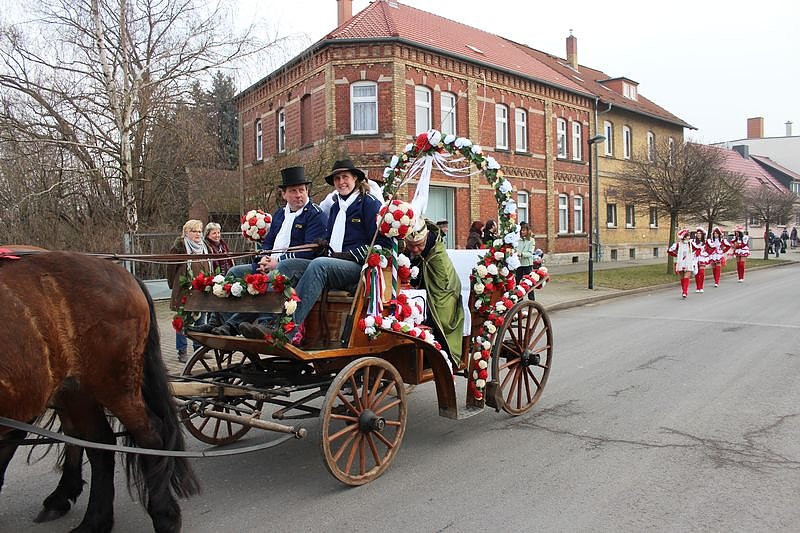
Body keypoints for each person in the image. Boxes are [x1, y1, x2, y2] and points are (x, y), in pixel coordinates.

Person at [241, 159, 383, 345]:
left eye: (345, 177)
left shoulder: (369, 204)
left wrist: (349, 255)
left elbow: (380, 244)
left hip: (358, 268)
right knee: (286, 265)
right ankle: (267, 321)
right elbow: (331, 241)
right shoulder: (335, 207)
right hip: (332, 263)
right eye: (337, 179)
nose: (341, 182)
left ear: (355, 178)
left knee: (319, 264)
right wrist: (323, 245)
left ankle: (289, 328)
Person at [209, 166, 328, 336]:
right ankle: (218, 321)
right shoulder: (279, 214)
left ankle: (262, 322)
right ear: (284, 194)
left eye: (302, 190)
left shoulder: (315, 215)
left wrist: (277, 262)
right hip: (271, 264)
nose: (299, 195)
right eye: (293, 191)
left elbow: (310, 250)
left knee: (277, 272)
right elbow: (269, 242)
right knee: (234, 272)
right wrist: (263, 260)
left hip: (298, 267)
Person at [403, 218, 465, 367]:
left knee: (431, 314)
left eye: (419, 245)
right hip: (422, 290)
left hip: (445, 293)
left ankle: (437, 356)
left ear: (426, 238)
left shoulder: (436, 255)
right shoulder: (412, 250)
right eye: (411, 246)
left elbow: (442, 283)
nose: (415, 250)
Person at [167, 219, 211, 362]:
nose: (198, 234)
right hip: (185, 291)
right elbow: (171, 269)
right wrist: (174, 286)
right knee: (183, 321)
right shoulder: (180, 247)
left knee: (201, 321)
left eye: (199, 231)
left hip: (202, 291)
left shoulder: (205, 247)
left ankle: (199, 349)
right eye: (194, 231)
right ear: (186, 232)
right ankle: (182, 351)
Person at [667, 228, 697, 299]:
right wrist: (677, 255)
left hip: (688, 262)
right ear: (684, 237)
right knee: (682, 277)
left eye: (689, 236)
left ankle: (685, 292)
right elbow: (669, 251)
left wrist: (693, 256)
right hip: (681, 262)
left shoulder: (691, 244)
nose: (689, 237)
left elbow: (698, 249)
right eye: (687, 236)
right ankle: (684, 290)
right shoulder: (678, 244)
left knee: (686, 277)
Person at [513, 222, 536, 301]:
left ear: (527, 231)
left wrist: (521, 254)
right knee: (518, 282)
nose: (522, 232)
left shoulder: (531, 240)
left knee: (528, 283)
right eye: (521, 230)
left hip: (527, 264)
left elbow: (530, 253)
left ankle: (531, 300)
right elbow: (515, 249)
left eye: (524, 230)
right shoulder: (518, 240)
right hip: (518, 264)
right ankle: (519, 300)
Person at [691, 227, 709, 293]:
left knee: (701, 272)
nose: (698, 234)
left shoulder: (706, 241)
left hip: (702, 257)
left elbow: (711, 248)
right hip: (695, 257)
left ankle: (701, 287)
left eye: (700, 233)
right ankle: (697, 287)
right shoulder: (693, 241)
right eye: (697, 233)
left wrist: (708, 253)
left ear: (702, 234)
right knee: (696, 272)